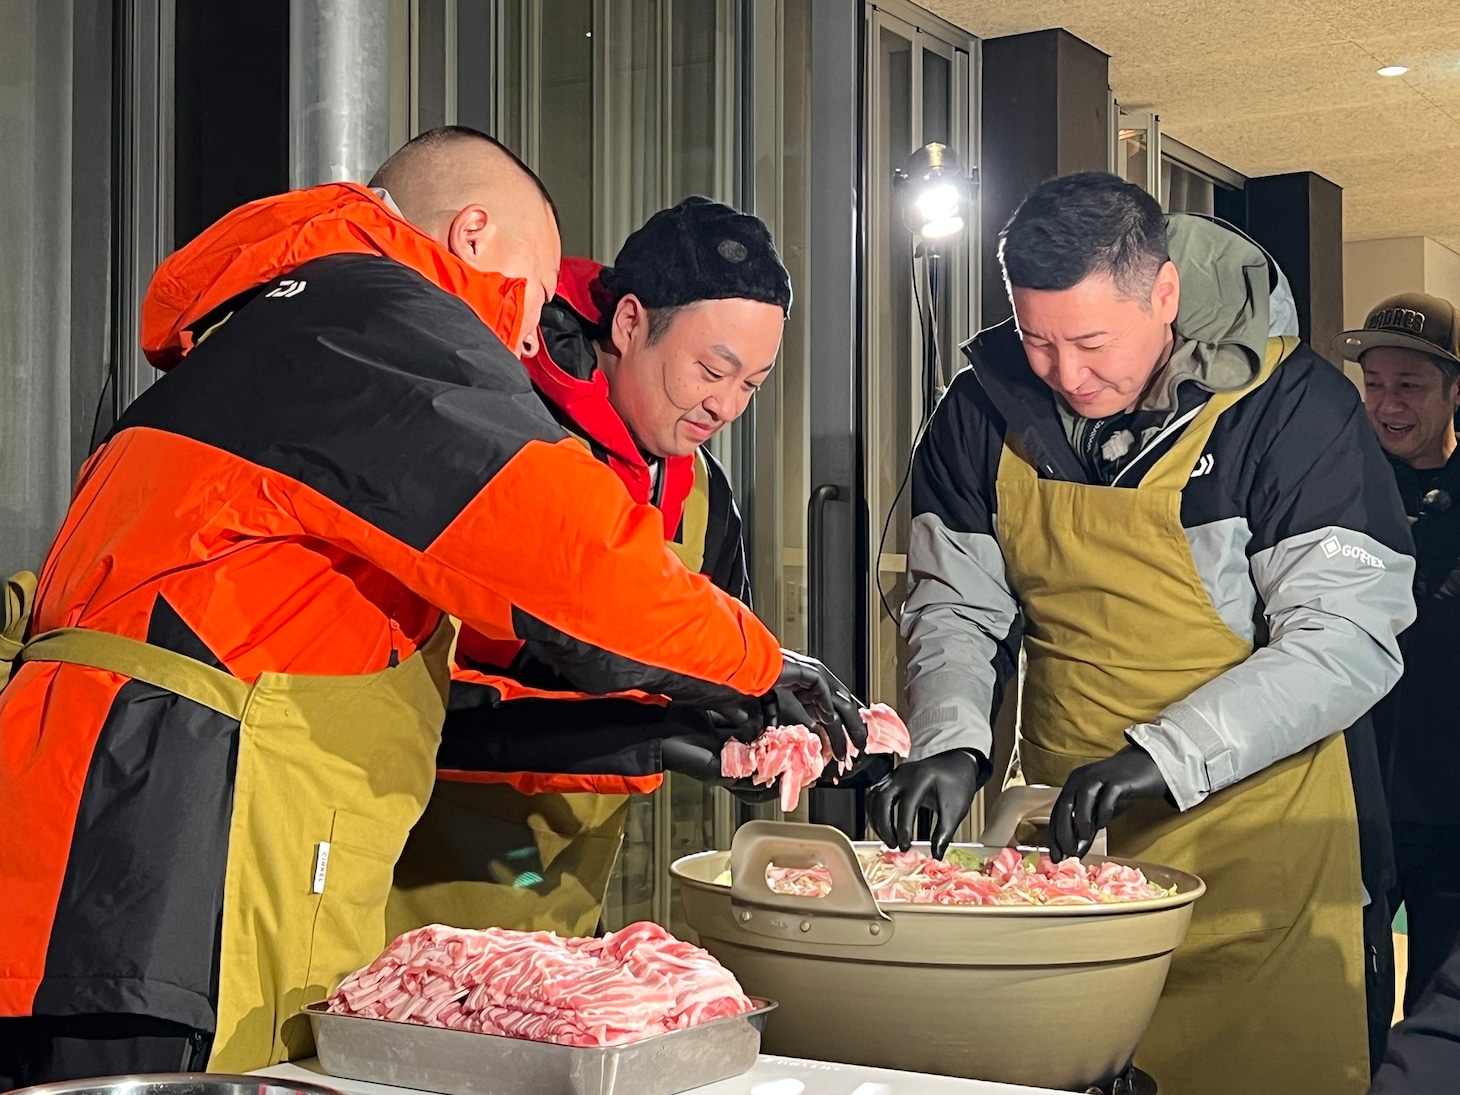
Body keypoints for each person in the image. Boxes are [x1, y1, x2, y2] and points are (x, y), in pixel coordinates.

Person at [0, 127, 860, 1083]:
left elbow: (451, 672)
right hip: (178, 870)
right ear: (472, 234)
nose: (529, 339)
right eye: (532, 294)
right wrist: (759, 662)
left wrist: (659, 728)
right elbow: (577, 566)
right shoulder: (382, 323)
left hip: (85, 863)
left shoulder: (273, 324)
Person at [868, 171, 1414, 1094]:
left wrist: (1162, 755)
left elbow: (1344, 638)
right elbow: (955, 606)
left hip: (1261, 861)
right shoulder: (980, 408)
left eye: (1091, 342)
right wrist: (952, 739)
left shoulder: (1290, 407)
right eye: (1037, 339)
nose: (1065, 374)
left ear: (1164, 293)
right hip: (1067, 858)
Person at [388, 196, 877, 939]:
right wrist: (647, 738)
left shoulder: (703, 496)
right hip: (410, 889)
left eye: (752, 384)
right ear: (628, 323)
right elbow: (423, 700)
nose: (725, 405)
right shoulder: (506, 439)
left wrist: (753, 736)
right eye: (712, 369)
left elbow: (715, 669)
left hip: (561, 901)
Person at [1339, 293, 1460, 1017]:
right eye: (1374, 383)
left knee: (1439, 1007)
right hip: (1353, 800)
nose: (1387, 405)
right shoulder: (1338, 488)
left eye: (1409, 385)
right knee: (1350, 999)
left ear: (1455, 390)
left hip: (1450, 805)